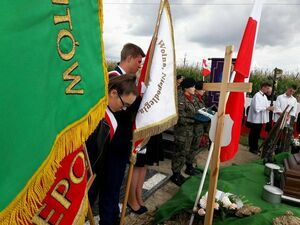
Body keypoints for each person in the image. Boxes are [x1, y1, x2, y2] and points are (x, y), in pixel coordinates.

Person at [99, 43, 145, 225]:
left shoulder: (128, 81)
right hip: (111, 144)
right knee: (109, 187)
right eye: (139, 61)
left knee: (115, 185)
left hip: (121, 142)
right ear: (129, 58)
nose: (140, 65)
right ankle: (109, 220)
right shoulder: (113, 78)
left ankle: (112, 217)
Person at [86, 75, 138, 225]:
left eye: (127, 106)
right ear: (113, 93)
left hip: (91, 175)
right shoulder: (93, 111)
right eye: (124, 104)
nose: (124, 109)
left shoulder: (112, 120)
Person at [171, 78, 197, 186]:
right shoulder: (181, 99)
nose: (194, 88)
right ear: (186, 88)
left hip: (189, 131)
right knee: (179, 153)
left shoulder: (192, 98)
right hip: (182, 132)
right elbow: (180, 118)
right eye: (192, 86)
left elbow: (195, 111)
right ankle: (175, 175)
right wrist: (194, 119)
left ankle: (179, 172)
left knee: (185, 152)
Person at [247, 82, 274, 154]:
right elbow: (256, 108)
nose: (268, 90)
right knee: (254, 134)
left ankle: (255, 147)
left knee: (257, 134)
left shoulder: (264, 96)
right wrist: (267, 108)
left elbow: (266, 106)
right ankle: (252, 148)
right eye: (267, 88)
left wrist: (269, 108)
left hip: (260, 119)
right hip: (256, 119)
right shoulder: (257, 95)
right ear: (263, 87)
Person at [187, 81, 206, 175]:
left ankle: (190, 165)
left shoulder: (200, 99)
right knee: (192, 147)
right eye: (202, 89)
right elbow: (195, 114)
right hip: (194, 127)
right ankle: (189, 166)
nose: (204, 91)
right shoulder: (194, 99)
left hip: (199, 128)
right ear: (197, 90)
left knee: (194, 148)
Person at [273, 84, 298, 153]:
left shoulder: (294, 100)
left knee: (284, 137)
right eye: (290, 91)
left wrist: (288, 116)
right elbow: (277, 108)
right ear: (288, 88)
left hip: (287, 121)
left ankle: (280, 151)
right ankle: (273, 150)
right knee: (276, 136)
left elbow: (294, 111)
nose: (291, 92)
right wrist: (284, 115)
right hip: (278, 120)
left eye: (293, 92)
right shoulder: (280, 97)